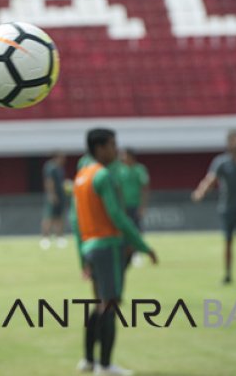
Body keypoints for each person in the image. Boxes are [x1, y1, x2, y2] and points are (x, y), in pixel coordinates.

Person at [73, 129, 157, 376]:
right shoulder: (103, 176)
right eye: (112, 145)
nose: (116, 150)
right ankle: (106, 365)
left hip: (89, 247)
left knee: (99, 303)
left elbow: (76, 221)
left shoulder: (81, 176)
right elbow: (117, 217)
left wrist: (81, 258)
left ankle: (89, 360)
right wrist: (143, 246)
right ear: (99, 148)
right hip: (108, 247)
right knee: (110, 305)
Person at [192, 129, 236, 285]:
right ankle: (228, 274)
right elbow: (210, 179)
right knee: (228, 241)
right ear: (229, 142)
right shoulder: (221, 162)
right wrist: (200, 192)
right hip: (228, 207)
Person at [116, 148, 150, 266]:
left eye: (124, 155)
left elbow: (144, 188)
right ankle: (125, 253)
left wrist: (143, 206)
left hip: (135, 205)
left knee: (136, 229)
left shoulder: (139, 169)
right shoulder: (120, 170)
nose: (122, 158)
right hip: (123, 207)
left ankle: (137, 253)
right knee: (123, 231)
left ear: (131, 156)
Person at [41, 152, 68, 249]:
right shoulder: (50, 167)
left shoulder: (60, 168)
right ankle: (45, 238)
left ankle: (59, 237)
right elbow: (49, 181)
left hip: (61, 196)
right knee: (49, 216)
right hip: (53, 196)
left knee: (59, 217)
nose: (64, 160)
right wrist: (52, 194)